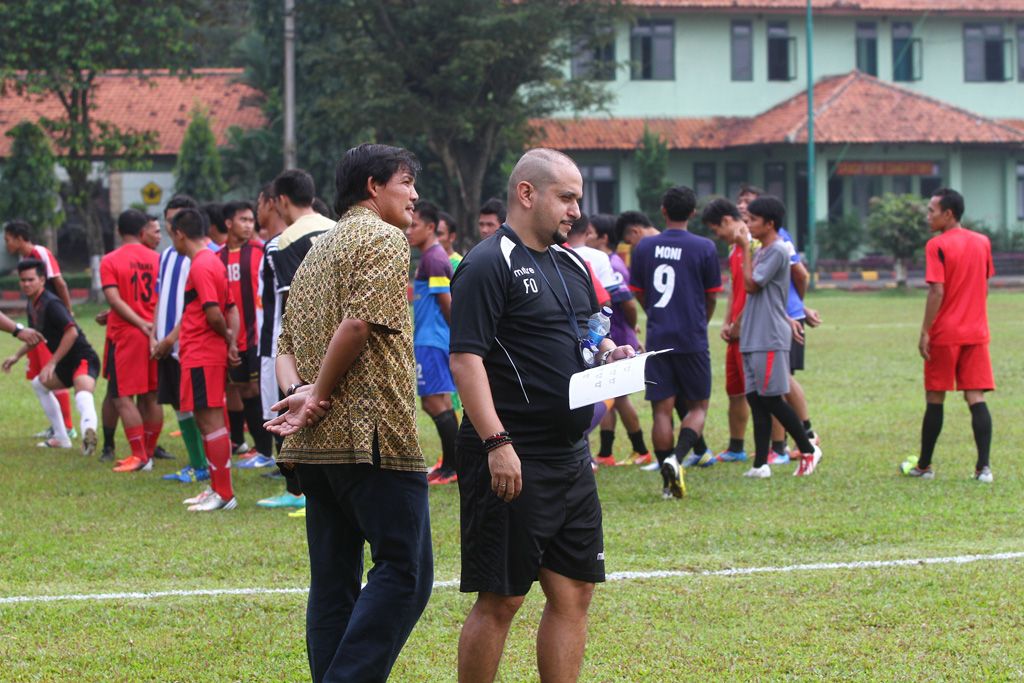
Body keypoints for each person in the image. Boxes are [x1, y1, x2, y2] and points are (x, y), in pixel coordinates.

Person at [451, 148, 635, 683]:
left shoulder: (571, 263)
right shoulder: (487, 262)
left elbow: (586, 337)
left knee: (574, 591)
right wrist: (496, 443)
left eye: (578, 198)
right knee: (502, 598)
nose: (576, 210)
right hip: (512, 452)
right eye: (567, 197)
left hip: (571, 456)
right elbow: (465, 360)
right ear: (527, 193)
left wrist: (610, 355)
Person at [265, 144, 433, 682]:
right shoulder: (383, 238)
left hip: (316, 448)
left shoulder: (315, 252)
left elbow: (284, 345)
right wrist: (315, 395)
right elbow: (359, 324)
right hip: (373, 436)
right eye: (406, 182)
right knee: (405, 570)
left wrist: (300, 393)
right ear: (373, 187)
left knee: (333, 582)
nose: (415, 195)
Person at [629, 186, 722, 498]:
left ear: (663, 210)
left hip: (658, 337)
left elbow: (638, 290)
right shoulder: (705, 247)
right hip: (692, 338)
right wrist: (700, 321)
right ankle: (677, 458)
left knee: (661, 411)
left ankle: (667, 485)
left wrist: (655, 313)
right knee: (698, 407)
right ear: (693, 213)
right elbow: (712, 296)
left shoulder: (644, 246)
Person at [901, 188, 995, 482]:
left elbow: (936, 291)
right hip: (976, 331)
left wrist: (925, 331)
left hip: (945, 333)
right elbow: (984, 286)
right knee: (975, 395)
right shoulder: (982, 242)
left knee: (935, 397)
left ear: (948, 214)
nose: (927, 216)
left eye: (932, 211)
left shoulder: (937, 245)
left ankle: (924, 466)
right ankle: (983, 468)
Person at [736, 196, 822, 479]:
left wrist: (744, 247)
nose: (748, 224)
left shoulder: (777, 250)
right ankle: (761, 464)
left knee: (772, 399)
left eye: (753, 220)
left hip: (769, 336)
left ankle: (808, 449)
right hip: (753, 334)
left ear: (769, 223)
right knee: (756, 400)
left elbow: (752, 285)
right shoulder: (763, 250)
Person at [168, 208, 240, 511]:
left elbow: (214, 313)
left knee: (210, 421)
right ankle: (217, 488)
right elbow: (231, 308)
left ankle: (224, 493)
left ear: (179, 234)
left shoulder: (201, 264)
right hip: (202, 353)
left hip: (202, 353)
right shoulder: (213, 261)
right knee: (206, 419)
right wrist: (231, 342)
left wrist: (226, 338)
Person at [7, 260, 99, 454]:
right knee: (39, 384)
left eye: (31, 279)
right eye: (23, 280)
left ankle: (88, 434)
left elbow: (72, 332)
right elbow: (36, 336)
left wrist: (52, 362)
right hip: (64, 363)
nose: (26, 284)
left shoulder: (51, 303)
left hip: (82, 357)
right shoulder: (33, 304)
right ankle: (61, 437)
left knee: (82, 393)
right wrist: (16, 356)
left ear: (42, 280)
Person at [254, 178, 306, 511]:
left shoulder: (278, 245)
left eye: (259, 203)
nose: (256, 211)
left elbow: (289, 299)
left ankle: (296, 490)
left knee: (279, 410)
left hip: (279, 342)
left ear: (274, 202)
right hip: (282, 341)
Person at [153, 195, 211, 482]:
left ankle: (206, 464)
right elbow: (160, 297)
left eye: (177, 220)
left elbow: (196, 304)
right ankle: (196, 462)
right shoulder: (166, 255)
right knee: (178, 404)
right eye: (168, 220)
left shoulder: (202, 256)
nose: (171, 226)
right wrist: (155, 335)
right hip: (165, 344)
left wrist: (171, 338)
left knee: (199, 407)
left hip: (186, 343)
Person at [586, 213, 651, 466]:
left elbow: (628, 302)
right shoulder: (604, 260)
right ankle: (606, 453)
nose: (586, 237)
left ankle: (640, 449)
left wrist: (632, 329)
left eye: (590, 232)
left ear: (603, 237)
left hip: (617, 336)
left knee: (618, 397)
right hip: (612, 335)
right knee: (609, 396)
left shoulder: (612, 263)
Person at [101, 210, 163, 472]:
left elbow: (115, 300)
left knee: (122, 397)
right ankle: (148, 452)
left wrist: (138, 323)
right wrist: (151, 326)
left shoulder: (110, 260)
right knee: (151, 396)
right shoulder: (158, 259)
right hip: (155, 335)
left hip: (126, 335)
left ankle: (139, 456)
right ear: (141, 231)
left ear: (118, 231)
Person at [4, 220, 75, 442]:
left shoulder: (41, 253)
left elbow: (60, 283)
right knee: (40, 375)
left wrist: (68, 312)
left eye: (8, 240)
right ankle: (56, 426)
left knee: (49, 374)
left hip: (51, 324)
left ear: (19, 238)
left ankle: (67, 427)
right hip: (37, 322)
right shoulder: (25, 261)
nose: (6, 244)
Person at [406, 200, 460, 485]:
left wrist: (458, 336)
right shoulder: (430, 257)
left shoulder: (435, 259)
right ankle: (452, 464)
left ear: (430, 227)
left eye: (414, 225)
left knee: (433, 402)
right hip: (429, 339)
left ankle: (453, 467)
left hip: (433, 341)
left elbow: (446, 301)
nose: (408, 230)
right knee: (439, 402)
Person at [217, 201, 274, 468]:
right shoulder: (217, 257)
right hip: (230, 338)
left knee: (254, 390)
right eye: (243, 220)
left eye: (252, 220)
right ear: (229, 223)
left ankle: (264, 450)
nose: (249, 225)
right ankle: (247, 445)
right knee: (238, 389)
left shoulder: (261, 252)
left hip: (256, 337)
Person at [702, 198, 751, 463]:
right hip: (735, 331)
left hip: (752, 330)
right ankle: (736, 447)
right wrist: (726, 321)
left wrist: (740, 322)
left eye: (716, 229)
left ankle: (777, 448)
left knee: (763, 394)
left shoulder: (754, 244)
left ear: (726, 221)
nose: (717, 236)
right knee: (735, 390)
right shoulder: (734, 249)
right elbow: (735, 287)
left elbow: (756, 290)